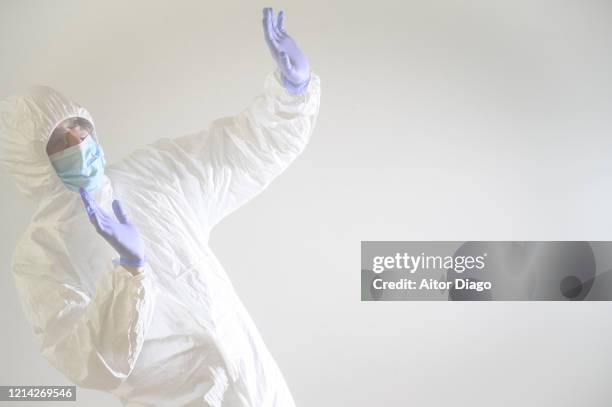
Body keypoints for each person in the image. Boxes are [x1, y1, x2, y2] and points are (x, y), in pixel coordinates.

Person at [0, 8, 320, 406]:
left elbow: (235, 154)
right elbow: (90, 362)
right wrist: (131, 272)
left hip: (258, 385)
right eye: (59, 140)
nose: (78, 140)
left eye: (78, 125)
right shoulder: (40, 255)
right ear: (34, 164)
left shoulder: (152, 176)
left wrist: (292, 92)